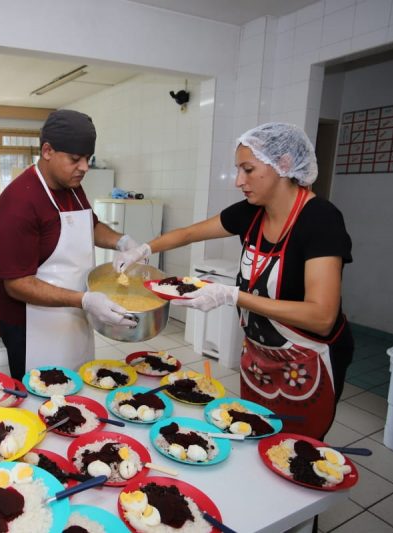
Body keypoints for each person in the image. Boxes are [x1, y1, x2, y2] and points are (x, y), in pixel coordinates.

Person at [116, 123, 354, 440]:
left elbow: (322, 317)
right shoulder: (251, 212)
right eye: (237, 170)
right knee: (254, 435)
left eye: (248, 169)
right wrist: (143, 249)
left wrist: (233, 295)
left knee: (294, 447)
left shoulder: (320, 219)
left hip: (308, 360)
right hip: (260, 357)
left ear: (283, 165)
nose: (239, 181)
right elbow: (188, 233)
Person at [0, 109, 140, 381]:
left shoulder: (71, 186)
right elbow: (17, 284)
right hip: (32, 328)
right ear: (47, 151)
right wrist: (83, 299)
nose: (84, 167)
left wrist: (123, 242)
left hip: (74, 313)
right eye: (75, 159)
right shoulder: (17, 205)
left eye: (88, 159)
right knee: (41, 399)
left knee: (76, 388)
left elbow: (90, 225)